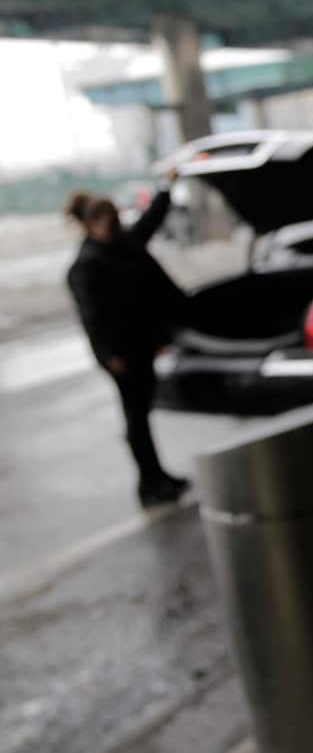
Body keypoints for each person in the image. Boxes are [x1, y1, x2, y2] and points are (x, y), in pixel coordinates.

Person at [65, 172, 189, 507]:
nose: (110, 227)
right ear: (89, 225)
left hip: (141, 344)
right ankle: (149, 484)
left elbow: (152, 219)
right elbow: (92, 319)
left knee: (142, 413)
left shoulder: (123, 246)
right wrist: (109, 356)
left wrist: (166, 187)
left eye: (113, 221)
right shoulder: (87, 265)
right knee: (136, 418)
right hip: (121, 354)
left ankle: (158, 477)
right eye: (104, 222)